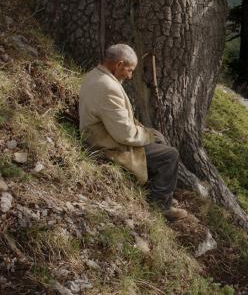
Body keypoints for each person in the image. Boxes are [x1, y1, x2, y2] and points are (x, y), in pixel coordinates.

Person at [78, 43, 188, 221]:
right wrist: (148, 134)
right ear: (119, 64)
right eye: (129, 70)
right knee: (170, 155)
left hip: (100, 133)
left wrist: (148, 133)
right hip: (106, 143)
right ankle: (161, 207)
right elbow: (124, 135)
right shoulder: (108, 87)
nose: (129, 76)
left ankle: (161, 193)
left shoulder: (94, 74)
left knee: (159, 142)